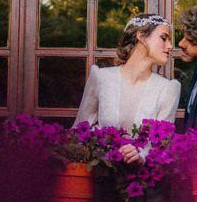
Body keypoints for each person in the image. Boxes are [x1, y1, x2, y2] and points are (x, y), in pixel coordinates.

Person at [75, 13, 182, 165]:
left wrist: (141, 156)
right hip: (99, 176)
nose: (170, 46)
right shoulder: (101, 77)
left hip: (141, 182)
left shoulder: (168, 88)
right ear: (141, 36)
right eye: (164, 38)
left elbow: (162, 146)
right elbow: (80, 130)